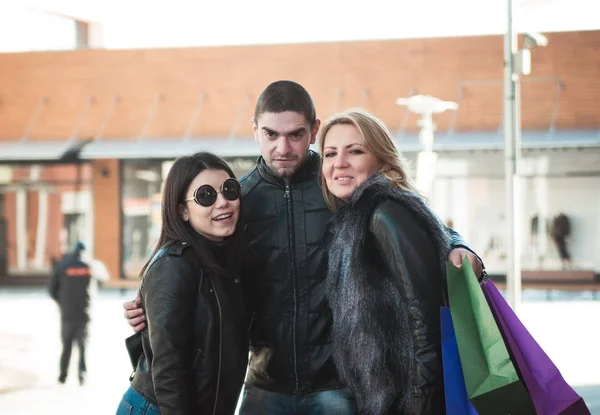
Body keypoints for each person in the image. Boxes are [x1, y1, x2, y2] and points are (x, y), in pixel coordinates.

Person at [123, 80, 484, 414]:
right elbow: (195, 270)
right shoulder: (237, 201)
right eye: (271, 134)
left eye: (296, 135)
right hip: (264, 384)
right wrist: (151, 309)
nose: (283, 148)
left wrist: (460, 246)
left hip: (338, 385)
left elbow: (413, 216)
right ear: (255, 130)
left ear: (314, 129)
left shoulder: (339, 184)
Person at [319, 108, 467, 413]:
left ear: (383, 160)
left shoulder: (385, 213)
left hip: (408, 400)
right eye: (330, 154)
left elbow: (424, 318)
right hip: (385, 398)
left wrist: (421, 401)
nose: (339, 163)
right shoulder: (359, 216)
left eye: (355, 151)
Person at [116, 152, 249, 414]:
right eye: (206, 196)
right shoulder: (174, 265)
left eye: (229, 190)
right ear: (182, 211)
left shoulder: (224, 260)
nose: (223, 202)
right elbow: (169, 367)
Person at [49, 240, 109, 385]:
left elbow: (52, 290)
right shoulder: (92, 266)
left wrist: (62, 303)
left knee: (66, 345)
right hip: (85, 312)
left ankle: (62, 376)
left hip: (67, 313)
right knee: (83, 345)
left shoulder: (63, 266)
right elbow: (104, 279)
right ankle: (82, 376)